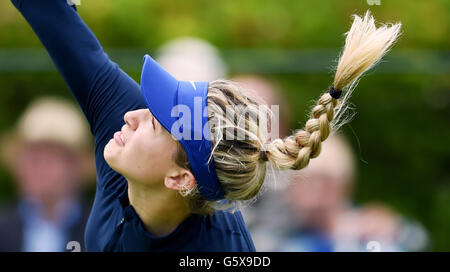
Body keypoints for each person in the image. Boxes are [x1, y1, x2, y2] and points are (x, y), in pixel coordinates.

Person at [11, 0, 401, 252]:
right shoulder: (128, 132)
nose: (134, 115)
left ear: (180, 178)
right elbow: (51, 15)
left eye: (158, 123)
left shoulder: (223, 251)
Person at [0, 97, 92, 252]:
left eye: (51, 157)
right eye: (31, 156)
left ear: (76, 167)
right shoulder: (3, 227)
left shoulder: (103, 230)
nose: (38, 166)